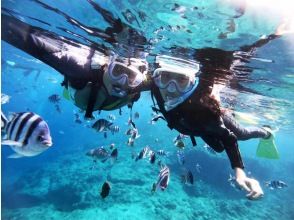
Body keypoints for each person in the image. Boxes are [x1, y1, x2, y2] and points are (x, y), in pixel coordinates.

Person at [149, 24, 290, 199]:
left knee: (242, 133)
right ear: (157, 76)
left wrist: (240, 174)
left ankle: (266, 132)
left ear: (192, 82)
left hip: (211, 120)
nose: (171, 88)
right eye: (165, 78)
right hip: (195, 127)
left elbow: (229, 139)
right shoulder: (155, 86)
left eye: (181, 80)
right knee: (217, 148)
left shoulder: (204, 110)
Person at [1, 13, 148, 119]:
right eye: (118, 71)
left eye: (132, 77)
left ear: (138, 80)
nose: (121, 81)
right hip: (79, 89)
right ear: (107, 66)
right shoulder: (79, 67)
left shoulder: (138, 85)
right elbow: (31, 40)